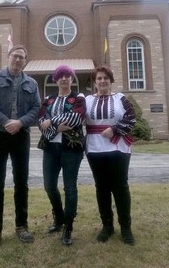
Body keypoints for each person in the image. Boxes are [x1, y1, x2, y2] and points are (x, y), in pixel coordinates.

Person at [0, 44, 41, 252]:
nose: (17, 60)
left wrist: (20, 123)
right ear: (8, 57)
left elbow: (36, 108)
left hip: (21, 136)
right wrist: (7, 122)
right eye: (15, 56)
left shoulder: (32, 83)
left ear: (25, 61)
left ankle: (21, 226)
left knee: (21, 183)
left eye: (21, 58)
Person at [85, 66, 136, 245]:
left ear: (111, 80)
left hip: (118, 148)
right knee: (102, 187)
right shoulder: (87, 100)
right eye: (99, 78)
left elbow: (131, 117)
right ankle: (107, 225)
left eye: (105, 78)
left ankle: (125, 227)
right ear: (95, 82)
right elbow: (75, 116)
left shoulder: (120, 98)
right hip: (94, 149)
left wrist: (114, 129)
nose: (102, 81)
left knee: (120, 187)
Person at [37, 65, 86, 246]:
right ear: (56, 80)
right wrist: (56, 128)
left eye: (67, 76)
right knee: (49, 186)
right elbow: (40, 121)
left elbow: (76, 118)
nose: (64, 79)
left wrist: (51, 122)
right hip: (50, 149)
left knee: (70, 188)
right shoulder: (48, 99)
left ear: (72, 79)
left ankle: (68, 227)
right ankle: (59, 218)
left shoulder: (78, 98)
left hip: (71, 149)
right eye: (60, 76)